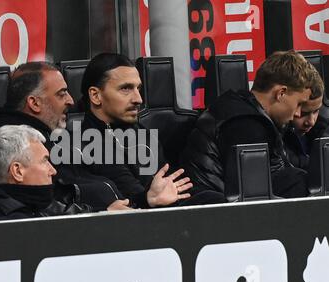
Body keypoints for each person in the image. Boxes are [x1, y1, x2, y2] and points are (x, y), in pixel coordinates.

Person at [79, 53, 225, 208]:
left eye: (138, 88)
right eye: (126, 89)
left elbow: (175, 187)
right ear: (95, 95)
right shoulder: (87, 143)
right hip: (135, 225)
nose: (138, 99)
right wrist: (149, 199)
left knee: (215, 200)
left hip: (166, 217)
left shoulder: (139, 132)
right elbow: (130, 196)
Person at [0, 62, 129, 211]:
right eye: (62, 94)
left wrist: (144, 198)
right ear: (34, 103)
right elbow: (45, 204)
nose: (71, 101)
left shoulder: (55, 133)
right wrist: (101, 214)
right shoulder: (13, 142)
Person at [181, 50, 320, 199]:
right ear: (281, 93)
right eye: (298, 104)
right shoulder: (246, 125)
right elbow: (275, 185)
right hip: (214, 213)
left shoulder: (246, 111)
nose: (298, 113)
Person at [0, 125, 129, 223]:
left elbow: (68, 215)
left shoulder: (35, 204)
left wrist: (105, 214)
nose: (53, 170)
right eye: (44, 161)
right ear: (18, 171)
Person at [283, 68, 326, 170]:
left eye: (316, 111)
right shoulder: (275, 140)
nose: (311, 121)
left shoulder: (323, 130)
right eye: (303, 113)